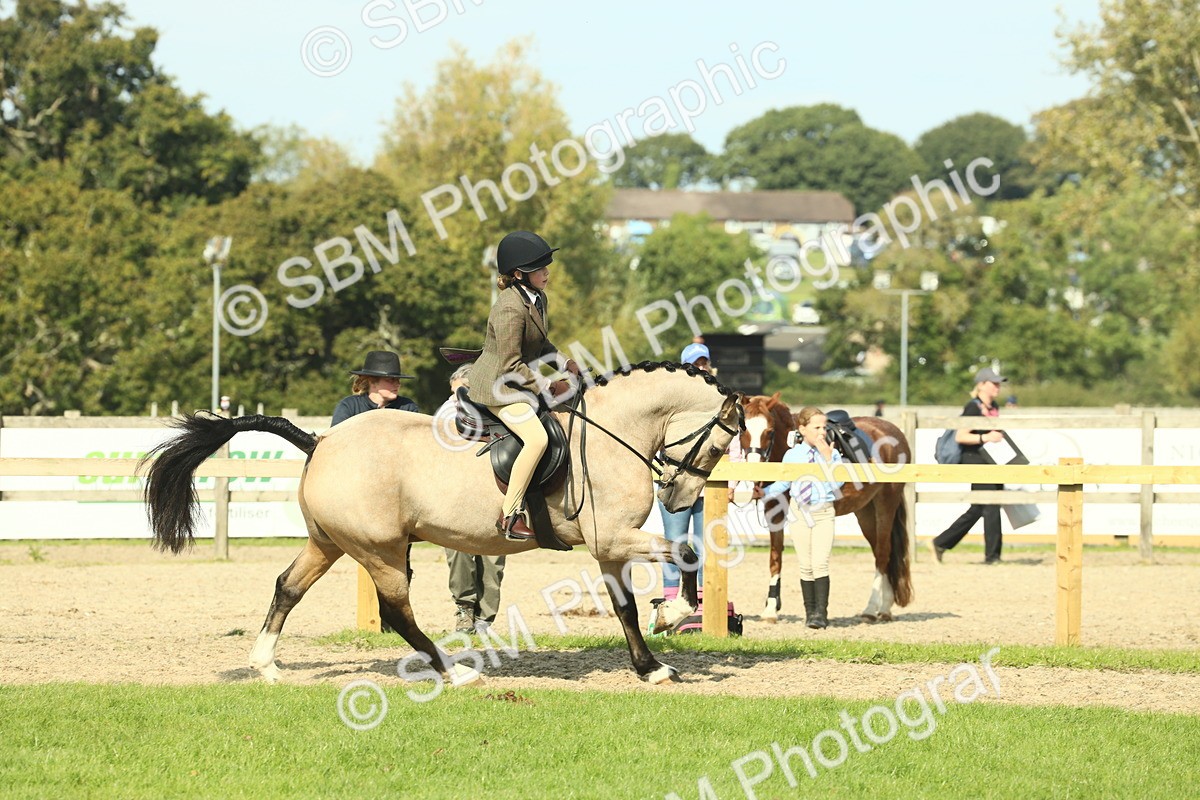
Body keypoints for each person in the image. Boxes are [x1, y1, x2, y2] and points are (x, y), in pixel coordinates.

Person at [468, 230, 579, 540]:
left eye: (546, 266)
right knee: (537, 439)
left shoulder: (536, 298)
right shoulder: (508, 308)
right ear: (518, 274)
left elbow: (539, 343)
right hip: (497, 388)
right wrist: (546, 385)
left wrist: (564, 362)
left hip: (515, 380)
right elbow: (510, 364)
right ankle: (510, 514)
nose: (546, 273)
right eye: (539, 269)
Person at [763, 407, 844, 629]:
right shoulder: (792, 455)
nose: (821, 432)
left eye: (824, 427)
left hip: (823, 511)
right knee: (805, 565)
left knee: (820, 563)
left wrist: (828, 458)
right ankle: (810, 613)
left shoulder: (833, 455)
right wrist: (765, 493)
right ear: (802, 429)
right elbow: (784, 483)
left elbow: (837, 486)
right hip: (799, 512)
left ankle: (821, 613)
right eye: (816, 427)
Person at [441, 364, 506, 633]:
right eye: (455, 392)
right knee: (458, 553)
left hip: (491, 493)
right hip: (456, 494)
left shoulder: (495, 410)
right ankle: (464, 609)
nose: (458, 398)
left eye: (464, 392)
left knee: (494, 559)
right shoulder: (444, 415)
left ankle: (485, 619)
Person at [929, 367, 1007, 565]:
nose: (998, 387)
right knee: (989, 504)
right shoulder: (973, 407)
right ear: (981, 385)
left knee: (980, 507)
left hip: (989, 459)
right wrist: (986, 436)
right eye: (993, 383)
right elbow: (961, 436)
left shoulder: (993, 406)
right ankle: (992, 556)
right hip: (974, 458)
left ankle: (941, 542)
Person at [658, 342, 712, 592]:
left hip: (710, 488)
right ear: (684, 367)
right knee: (674, 548)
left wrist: (731, 485)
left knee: (706, 551)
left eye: (704, 362)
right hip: (676, 487)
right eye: (695, 364)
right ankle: (670, 604)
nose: (701, 367)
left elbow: (732, 445)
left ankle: (703, 609)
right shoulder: (671, 400)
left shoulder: (719, 400)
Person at [331, 351, 419, 425]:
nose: (398, 384)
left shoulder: (407, 407)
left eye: (398, 379)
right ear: (372, 382)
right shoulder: (349, 406)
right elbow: (336, 440)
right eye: (391, 380)